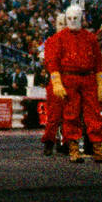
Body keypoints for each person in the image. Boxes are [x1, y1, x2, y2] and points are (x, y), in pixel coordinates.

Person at [48, 4, 102, 163]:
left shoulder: (90, 38)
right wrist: (57, 82)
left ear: (81, 19)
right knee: (71, 115)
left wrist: (101, 81)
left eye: (75, 18)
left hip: (88, 79)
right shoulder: (59, 38)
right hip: (69, 78)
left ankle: (98, 150)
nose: (72, 21)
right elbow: (53, 62)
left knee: (94, 114)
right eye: (69, 18)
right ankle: (73, 150)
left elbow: (98, 61)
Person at [40, 11, 68, 155]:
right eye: (60, 24)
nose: (63, 27)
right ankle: (50, 142)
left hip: (70, 80)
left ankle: (68, 142)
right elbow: (47, 62)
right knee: (54, 115)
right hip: (55, 80)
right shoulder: (51, 41)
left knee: (71, 114)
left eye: (65, 24)